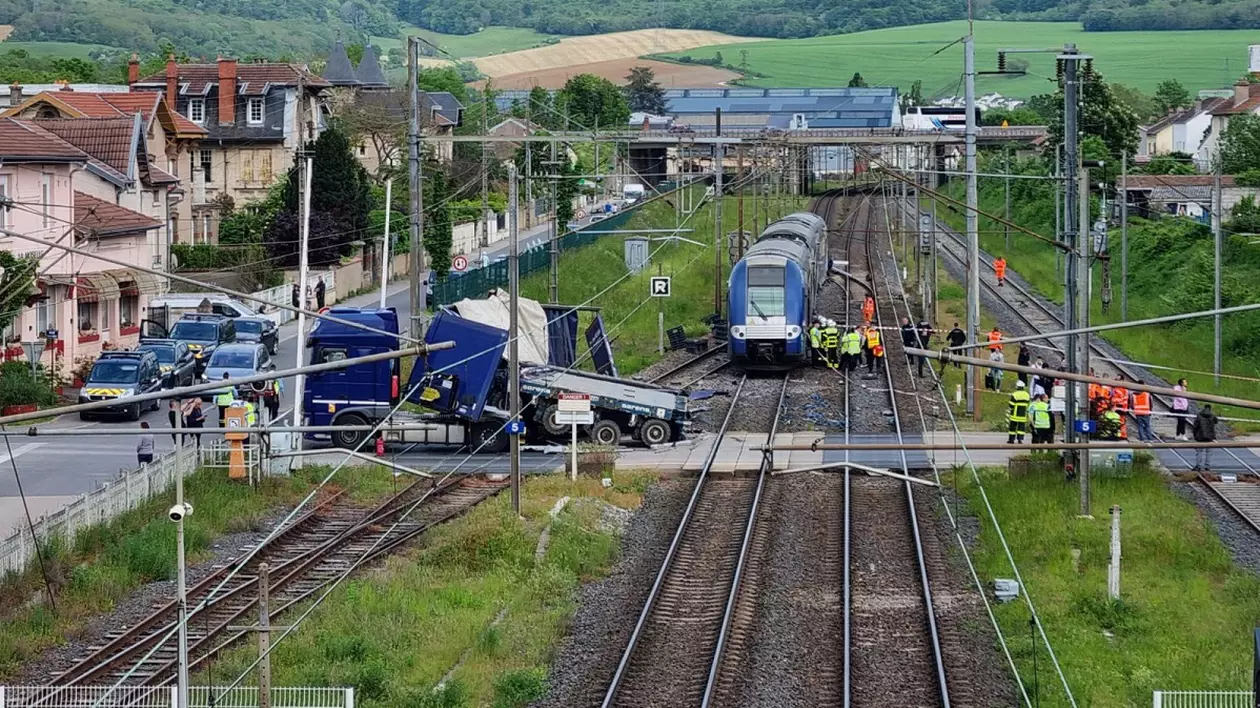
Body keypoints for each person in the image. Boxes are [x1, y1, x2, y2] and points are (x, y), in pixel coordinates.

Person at [1192, 404, 1218, 471]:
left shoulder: (1199, 415)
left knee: (1199, 452)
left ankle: (1198, 466)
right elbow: (1216, 421)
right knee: (1209, 452)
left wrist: (1195, 435)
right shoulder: (1212, 415)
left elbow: (1195, 426)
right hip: (1210, 437)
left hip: (1200, 436)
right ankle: (1207, 466)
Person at [1006, 380, 1030, 444]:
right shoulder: (1027, 395)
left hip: (1015, 414)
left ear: (1017, 387)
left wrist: (1010, 408)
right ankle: (1020, 440)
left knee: (1012, 428)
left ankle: (1011, 440)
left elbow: (1011, 404)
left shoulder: (1015, 394)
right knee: (1021, 428)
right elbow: (1028, 404)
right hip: (1023, 415)